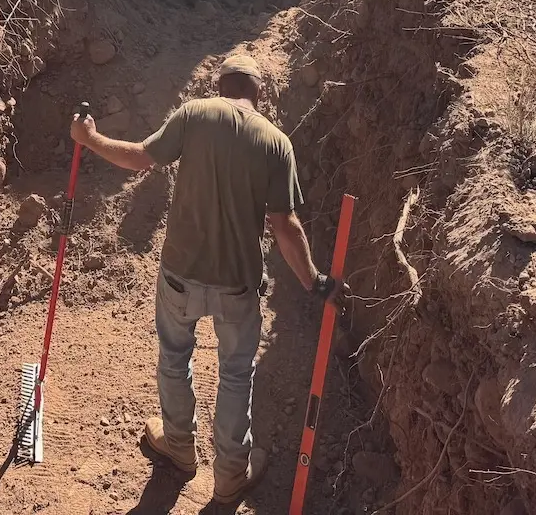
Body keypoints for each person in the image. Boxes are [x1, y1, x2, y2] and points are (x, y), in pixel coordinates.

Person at [68, 52, 341, 504]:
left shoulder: (194, 114)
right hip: (237, 285)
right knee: (236, 375)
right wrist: (316, 282)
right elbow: (285, 226)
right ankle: (231, 475)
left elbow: (140, 158)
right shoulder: (276, 143)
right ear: (261, 94)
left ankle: (178, 449)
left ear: (220, 87)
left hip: (179, 275)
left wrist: (89, 136)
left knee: (174, 359)